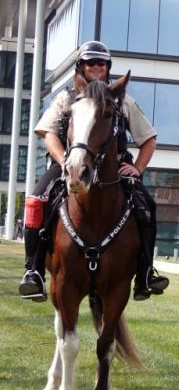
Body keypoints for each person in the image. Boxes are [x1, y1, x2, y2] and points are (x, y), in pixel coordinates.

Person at [19, 40, 169, 302]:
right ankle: (33, 270)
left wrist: (137, 167)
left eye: (102, 63)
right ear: (81, 66)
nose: (97, 66)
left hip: (114, 168)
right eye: (90, 62)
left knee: (147, 205)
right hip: (71, 164)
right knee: (36, 199)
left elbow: (148, 139)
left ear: (108, 67)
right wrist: (64, 160)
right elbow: (48, 133)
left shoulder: (123, 101)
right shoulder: (66, 98)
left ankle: (146, 272)